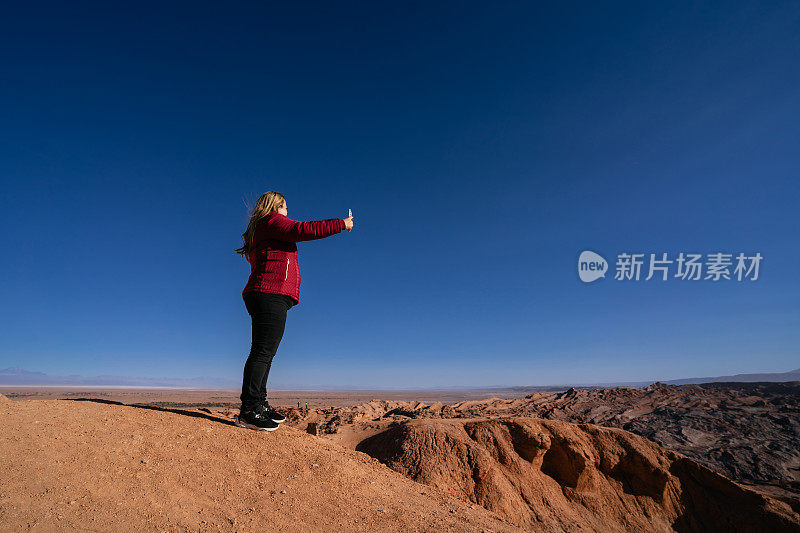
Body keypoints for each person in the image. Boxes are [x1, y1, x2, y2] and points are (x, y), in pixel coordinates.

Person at [233, 191, 354, 431]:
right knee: (262, 352)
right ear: (274, 206)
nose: (287, 211)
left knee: (265, 352)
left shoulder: (264, 227)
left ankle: (258, 403)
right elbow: (303, 230)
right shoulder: (270, 221)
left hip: (267, 294)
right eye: (285, 206)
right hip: (269, 293)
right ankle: (249, 410)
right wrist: (342, 224)